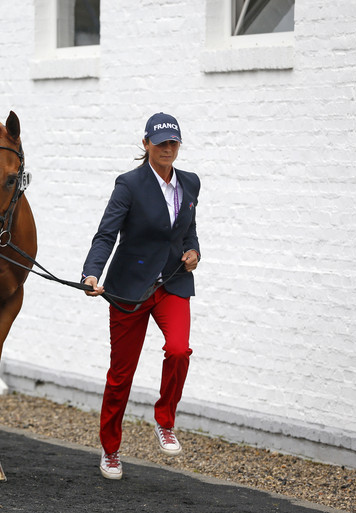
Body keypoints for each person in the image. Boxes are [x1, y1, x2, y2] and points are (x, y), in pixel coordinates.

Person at [81, 112, 201, 480]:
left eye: (173, 143)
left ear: (179, 146)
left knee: (179, 349)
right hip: (130, 288)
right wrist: (91, 272)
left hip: (172, 284)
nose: (167, 148)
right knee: (121, 375)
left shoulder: (190, 184)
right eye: (160, 142)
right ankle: (110, 449)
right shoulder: (129, 185)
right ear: (146, 143)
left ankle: (165, 421)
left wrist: (194, 252)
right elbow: (106, 234)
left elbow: (188, 231)